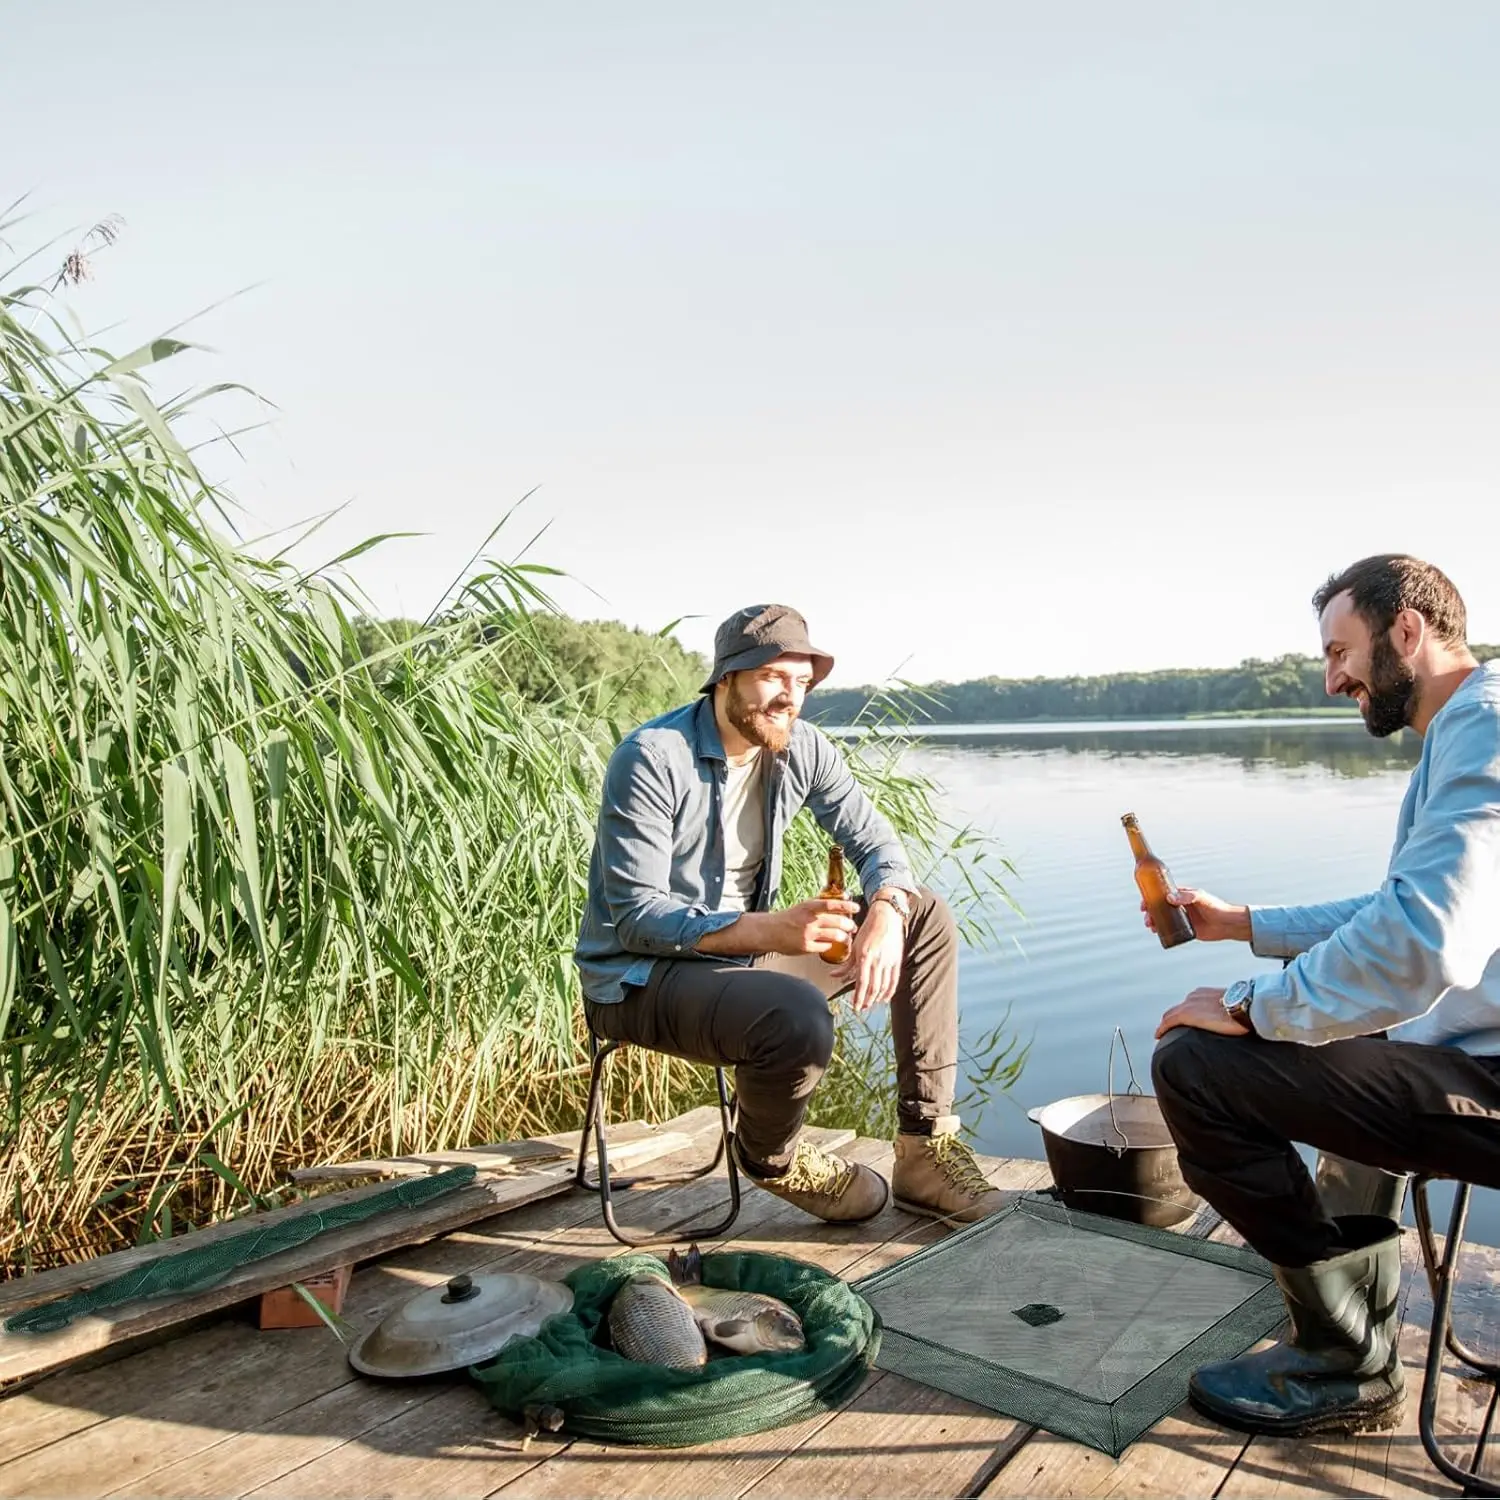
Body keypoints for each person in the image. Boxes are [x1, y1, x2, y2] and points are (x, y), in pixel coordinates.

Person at [1148, 553, 1500, 1438]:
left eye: (1341, 650)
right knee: (1350, 1032)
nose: (1333, 675)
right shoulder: (1467, 727)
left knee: (1195, 1066)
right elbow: (1395, 912)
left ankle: (1344, 1357)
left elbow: (1421, 941)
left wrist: (1249, 1010)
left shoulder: (1487, 730)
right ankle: (1353, 1327)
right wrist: (1242, 926)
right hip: (1469, 1053)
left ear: (1408, 631)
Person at [575, 602, 1005, 1225]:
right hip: (639, 980)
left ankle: (924, 1149)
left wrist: (885, 908)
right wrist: (774, 929)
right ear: (727, 677)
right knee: (794, 1013)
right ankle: (770, 1158)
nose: (791, 698)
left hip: (744, 961)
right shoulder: (652, 758)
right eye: (775, 677)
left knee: (925, 914)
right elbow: (638, 917)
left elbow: (879, 845)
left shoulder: (802, 748)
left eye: (802, 682)